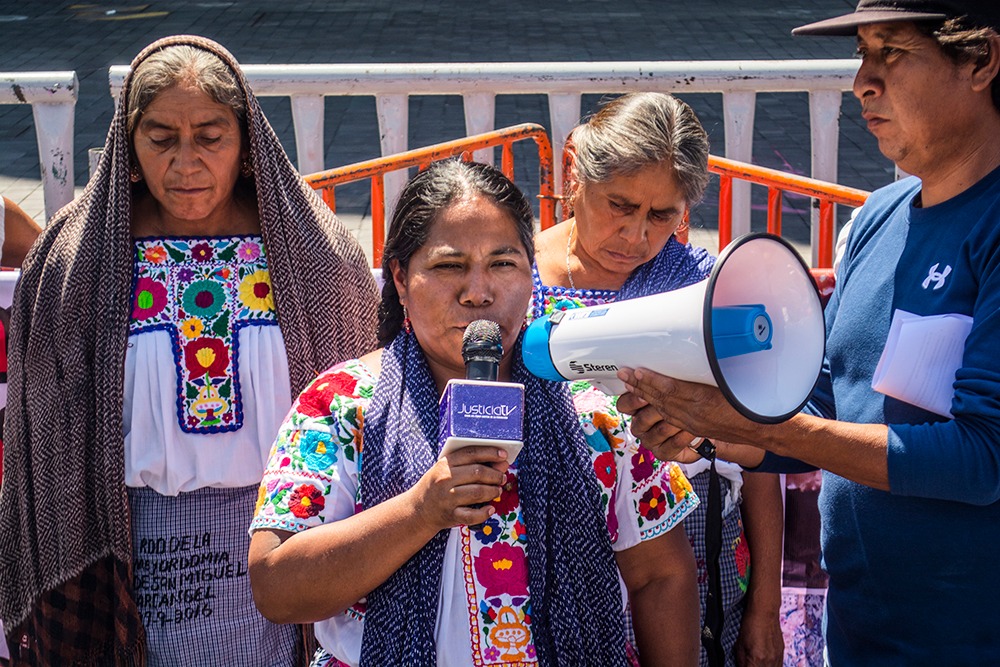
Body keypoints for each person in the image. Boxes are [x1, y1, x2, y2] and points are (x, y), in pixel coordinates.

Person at [617, 2, 1000, 663]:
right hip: (857, 633)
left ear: (981, 61)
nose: (862, 82)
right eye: (861, 54)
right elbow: (823, 401)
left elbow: (983, 457)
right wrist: (711, 426)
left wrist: (770, 429)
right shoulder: (880, 216)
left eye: (892, 53)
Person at [0, 35, 378, 666]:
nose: (186, 162)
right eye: (161, 137)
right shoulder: (76, 260)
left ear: (247, 143)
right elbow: (47, 435)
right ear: (129, 143)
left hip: (283, 536)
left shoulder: (314, 253)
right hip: (129, 545)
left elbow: (359, 405)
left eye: (210, 135)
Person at [248, 159, 700, 666]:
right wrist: (419, 512)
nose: (479, 294)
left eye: (503, 264)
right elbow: (276, 586)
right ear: (400, 278)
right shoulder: (341, 406)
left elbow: (661, 576)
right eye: (449, 266)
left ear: (532, 275)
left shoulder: (595, 413)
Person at [532, 92, 783, 667]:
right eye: (618, 204)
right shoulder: (511, 277)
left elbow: (763, 453)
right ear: (573, 171)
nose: (636, 236)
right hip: (551, 562)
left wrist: (764, 607)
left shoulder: (704, 289)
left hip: (697, 566)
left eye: (662, 215)